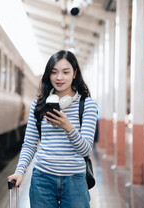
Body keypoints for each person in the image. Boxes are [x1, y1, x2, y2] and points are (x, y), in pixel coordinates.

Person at [8, 50, 98, 208]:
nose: (59, 77)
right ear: (48, 75)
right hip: (42, 180)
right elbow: (29, 144)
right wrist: (20, 171)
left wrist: (68, 127)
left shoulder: (87, 105)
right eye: (54, 72)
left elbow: (85, 150)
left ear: (75, 73)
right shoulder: (39, 105)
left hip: (75, 181)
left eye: (65, 72)